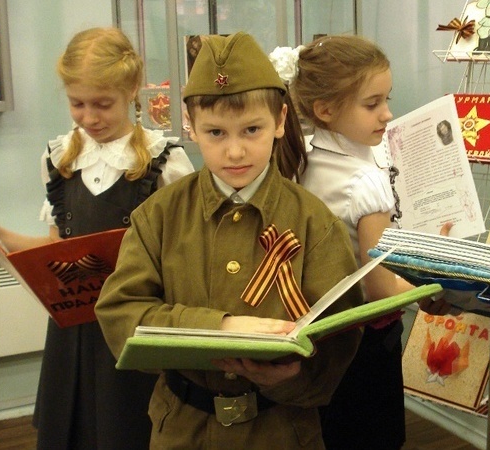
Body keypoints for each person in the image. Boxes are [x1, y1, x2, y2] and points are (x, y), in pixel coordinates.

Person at [94, 32, 363, 449]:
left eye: (251, 129)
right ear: (191, 126)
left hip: (281, 432)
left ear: (280, 121)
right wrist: (219, 328)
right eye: (216, 132)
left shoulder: (314, 222)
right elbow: (121, 312)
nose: (235, 151)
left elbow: (341, 333)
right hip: (183, 431)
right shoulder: (159, 216)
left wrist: (294, 375)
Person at [0, 27, 195, 449]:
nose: (89, 118)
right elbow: (57, 249)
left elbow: (185, 257)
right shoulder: (60, 158)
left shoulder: (165, 162)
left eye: (102, 104)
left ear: (131, 90)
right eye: (77, 104)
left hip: (134, 328)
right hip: (72, 330)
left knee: (129, 431)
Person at [281, 34, 414, 450]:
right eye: (372, 104)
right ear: (325, 110)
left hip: (317, 339)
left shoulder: (301, 159)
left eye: (387, 99)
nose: (387, 114)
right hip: (365, 347)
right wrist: (431, 280)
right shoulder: (365, 182)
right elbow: (381, 291)